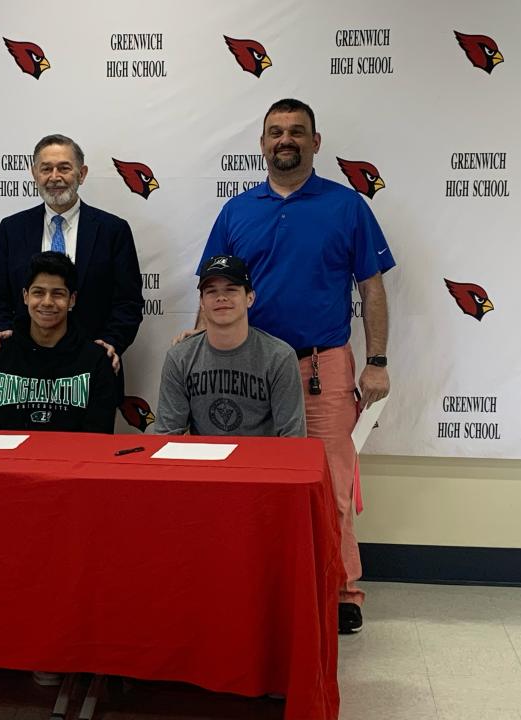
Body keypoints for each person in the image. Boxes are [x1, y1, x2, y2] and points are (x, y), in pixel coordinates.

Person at [187, 98, 395, 635]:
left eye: (297, 132)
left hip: (319, 369)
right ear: (261, 144)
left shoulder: (347, 207)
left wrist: (376, 361)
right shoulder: (236, 211)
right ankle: (262, 583)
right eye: (276, 131)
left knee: (331, 481)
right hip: (245, 370)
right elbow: (215, 287)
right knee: (252, 483)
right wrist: (196, 342)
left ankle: (343, 590)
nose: (286, 140)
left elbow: (371, 288)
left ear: (315, 143)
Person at [0, 134, 143, 375]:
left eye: (64, 168)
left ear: (82, 173)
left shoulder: (113, 231)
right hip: (23, 366)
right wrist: (4, 334)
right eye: (46, 169)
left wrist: (111, 343)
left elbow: (128, 302)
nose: (54, 177)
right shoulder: (12, 229)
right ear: (35, 174)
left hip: (92, 366)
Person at [156, 255, 306, 438]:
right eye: (211, 291)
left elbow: (293, 440)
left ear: (250, 298)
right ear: (202, 302)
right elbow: (167, 436)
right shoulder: (180, 357)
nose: (221, 297)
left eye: (231, 289)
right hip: (203, 464)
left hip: (263, 463)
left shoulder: (280, 357)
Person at [0, 251, 117, 433]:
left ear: (72, 299)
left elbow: (98, 442)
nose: (47, 302)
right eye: (38, 292)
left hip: (73, 461)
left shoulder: (97, 361)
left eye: (58, 294)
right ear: (25, 296)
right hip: (7, 461)